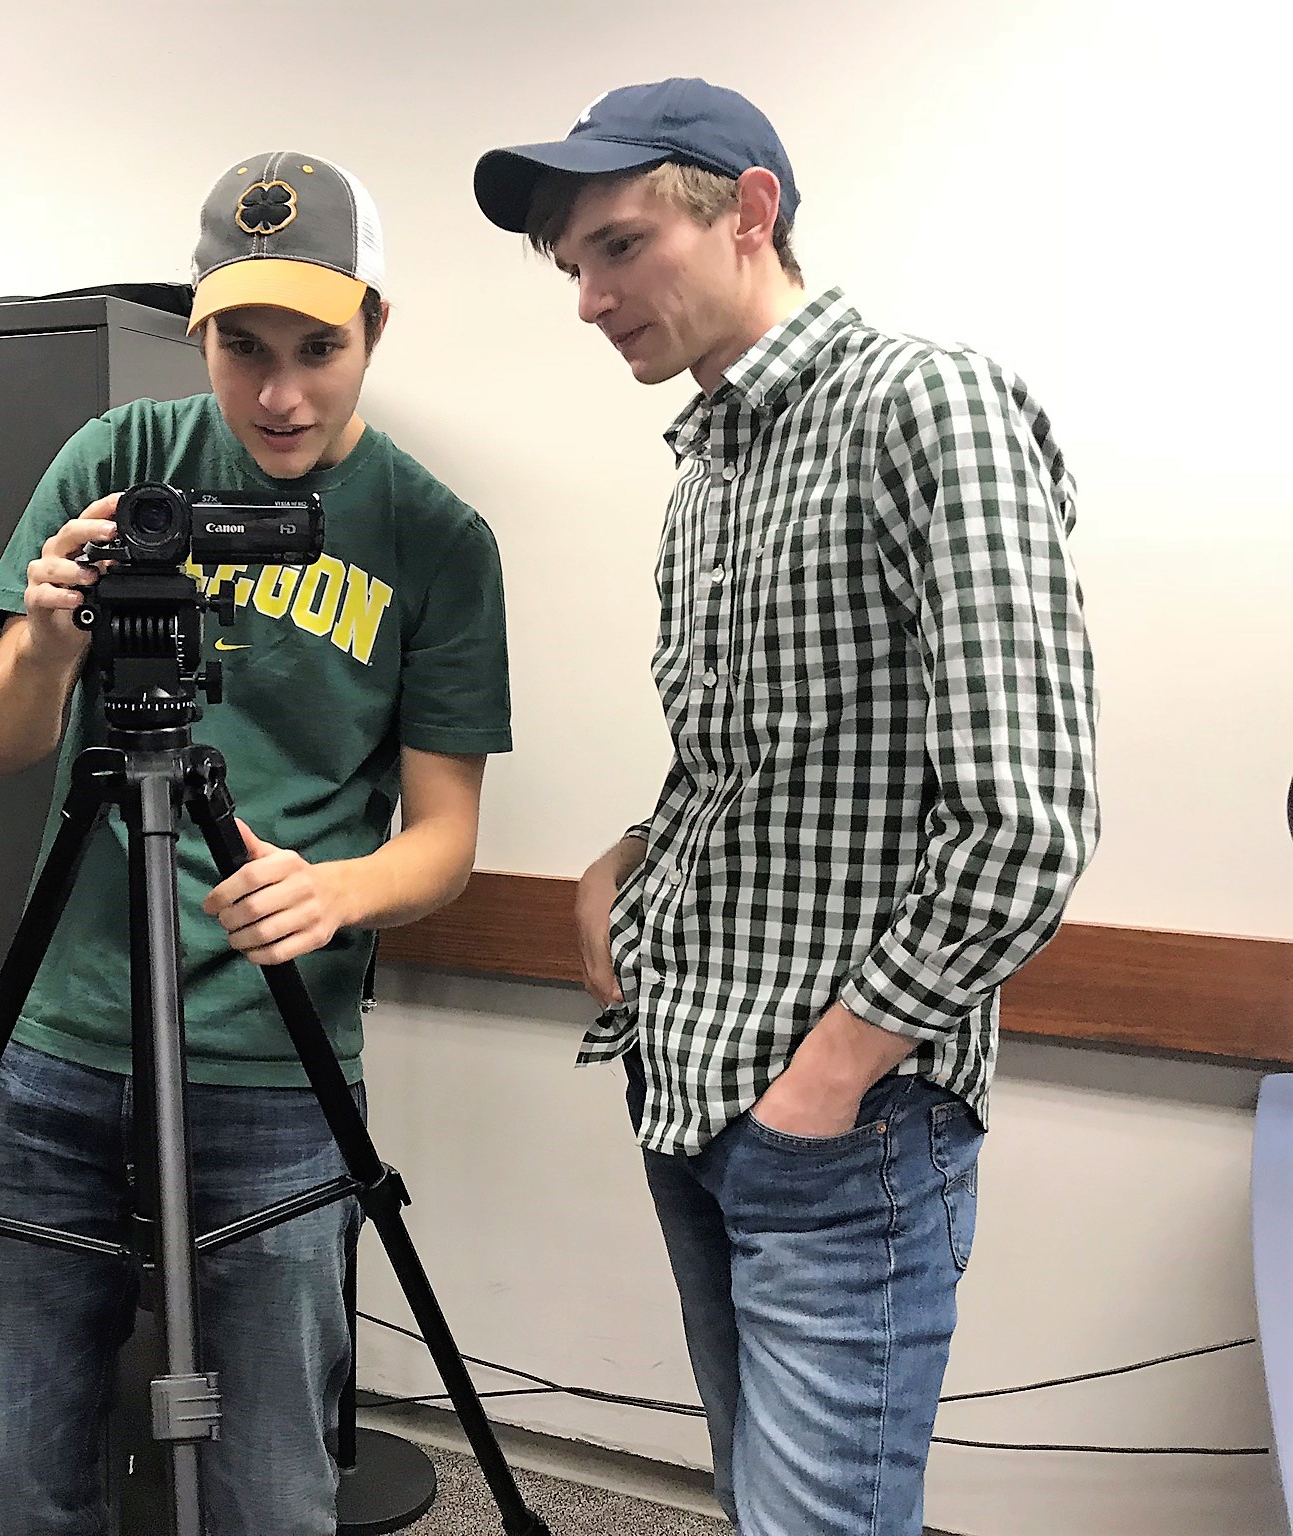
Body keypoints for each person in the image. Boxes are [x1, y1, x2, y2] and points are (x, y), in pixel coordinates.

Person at [474, 78, 1098, 1536]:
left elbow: (1025, 824)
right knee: (762, 1504)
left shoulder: (925, 404)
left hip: (843, 1116)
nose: (589, 300)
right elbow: (765, 759)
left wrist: (827, 1082)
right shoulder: (709, 470)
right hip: (688, 1077)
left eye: (620, 247)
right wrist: (620, 865)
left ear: (750, 209)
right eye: (575, 267)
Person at [0, 151, 511, 1534]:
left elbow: (444, 841)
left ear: (375, 328)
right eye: (241, 348)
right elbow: (0, 740)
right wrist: (46, 635)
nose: (279, 394)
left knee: (271, 1487)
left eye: (319, 349)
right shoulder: (118, 467)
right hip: (60, 1041)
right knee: (9, 1477)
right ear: (198, 332)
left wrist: (335, 891)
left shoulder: (438, 542)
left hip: (275, 1060)